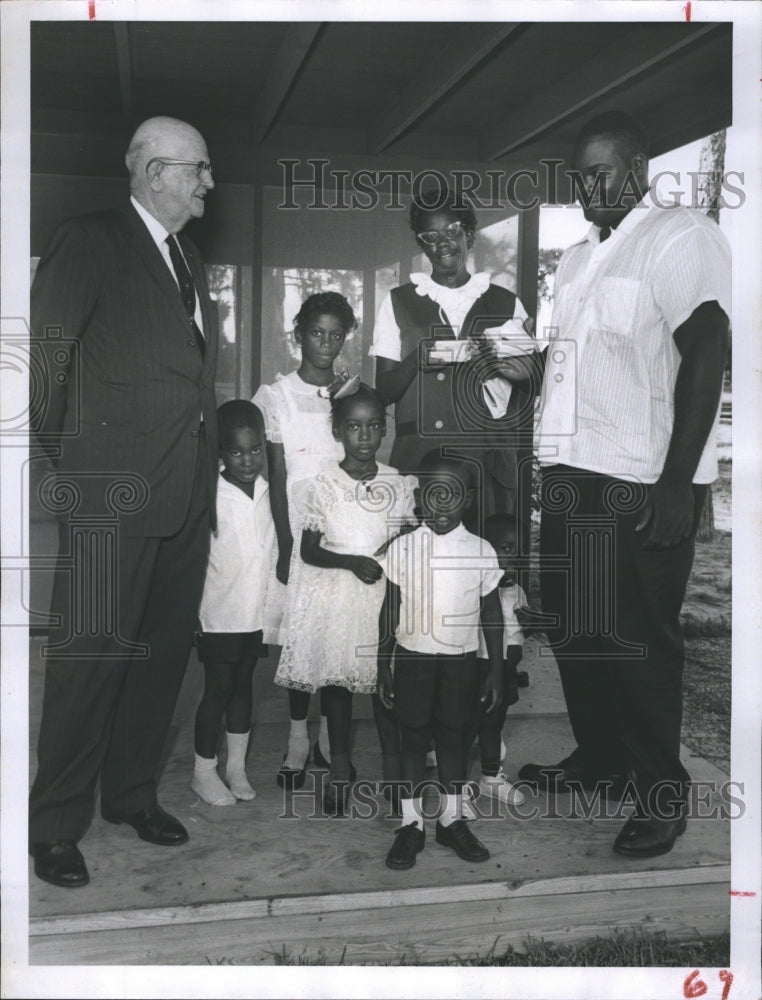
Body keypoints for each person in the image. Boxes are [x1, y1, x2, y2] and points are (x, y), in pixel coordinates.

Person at [522, 111, 731, 859]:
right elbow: (586, 365)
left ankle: (660, 799)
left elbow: (707, 352)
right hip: (573, 476)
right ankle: (602, 759)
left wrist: (679, 483)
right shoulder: (581, 258)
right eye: (577, 177)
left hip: (640, 482)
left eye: (599, 174)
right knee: (577, 633)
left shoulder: (678, 237)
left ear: (637, 167)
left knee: (639, 644)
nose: (586, 189)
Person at [28, 116, 218, 887]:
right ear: (154, 173)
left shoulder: (187, 257)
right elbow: (41, 370)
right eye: (199, 169)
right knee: (87, 664)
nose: (209, 182)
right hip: (113, 496)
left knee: (160, 660)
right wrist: (76, 475)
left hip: (185, 497)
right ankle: (54, 826)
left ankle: (130, 796)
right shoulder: (90, 237)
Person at [274, 384, 417, 814]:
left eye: (374, 426)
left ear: (384, 430)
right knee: (338, 685)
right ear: (338, 431)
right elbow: (309, 551)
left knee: (385, 688)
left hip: (384, 601)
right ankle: (338, 768)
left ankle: (395, 777)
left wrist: (395, 551)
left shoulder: (397, 482)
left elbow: (409, 536)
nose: (365, 436)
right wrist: (352, 562)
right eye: (354, 427)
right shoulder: (323, 486)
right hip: (339, 599)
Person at [371, 185, 539, 527]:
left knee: (485, 564)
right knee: (418, 566)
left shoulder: (506, 303)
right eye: (431, 235)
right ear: (421, 244)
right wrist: (415, 360)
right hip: (421, 461)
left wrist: (504, 367)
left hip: (486, 461)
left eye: (452, 231)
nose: (443, 242)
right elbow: (383, 391)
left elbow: (533, 383)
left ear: (470, 234)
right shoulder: (398, 301)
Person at [377, 452, 505, 870]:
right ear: (419, 498)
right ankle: (411, 824)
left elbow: (491, 614)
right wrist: (383, 664)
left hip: (460, 664)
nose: (442, 503)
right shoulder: (402, 549)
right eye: (433, 494)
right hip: (413, 660)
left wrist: (496, 670)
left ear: (468, 498)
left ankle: (451, 820)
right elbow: (389, 610)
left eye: (452, 494)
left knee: (454, 740)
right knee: (412, 741)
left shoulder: (482, 551)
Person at [253, 292, 358, 788]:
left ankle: (336, 744)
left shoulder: (349, 392)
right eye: (317, 332)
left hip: (341, 530)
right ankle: (299, 738)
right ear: (299, 333)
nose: (326, 343)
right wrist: (286, 543)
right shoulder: (273, 397)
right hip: (295, 530)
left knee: (337, 632)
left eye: (336, 334)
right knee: (298, 636)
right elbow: (275, 478)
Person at [191, 401, 275, 806]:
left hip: (254, 612)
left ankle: (235, 767)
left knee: (243, 687)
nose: (247, 460)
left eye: (255, 450)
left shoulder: (268, 491)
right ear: (221, 452)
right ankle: (202, 772)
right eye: (237, 452)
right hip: (219, 612)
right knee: (217, 690)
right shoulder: (211, 494)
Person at [461, 514, 532, 817]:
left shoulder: (515, 589)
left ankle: (490, 777)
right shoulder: (473, 587)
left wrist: (530, 620)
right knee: (466, 728)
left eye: (518, 550)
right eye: (504, 548)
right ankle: (458, 786)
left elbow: (519, 625)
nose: (512, 555)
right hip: (478, 670)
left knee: (494, 724)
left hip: (504, 673)